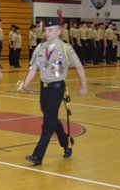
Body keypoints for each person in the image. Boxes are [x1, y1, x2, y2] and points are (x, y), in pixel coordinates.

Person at [20, 17, 87, 165]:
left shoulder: (65, 48)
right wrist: (25, 85)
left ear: (58, 31)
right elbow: (33, 69)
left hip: (57, 88)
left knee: (48, 123)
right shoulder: (40, 47)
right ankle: (66, 142)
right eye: (45, 30)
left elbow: (79, 67)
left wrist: (84, 86)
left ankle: (38, 156)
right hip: (44, 89)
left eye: (50, 30)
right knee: (51, 118)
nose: (46, 32)